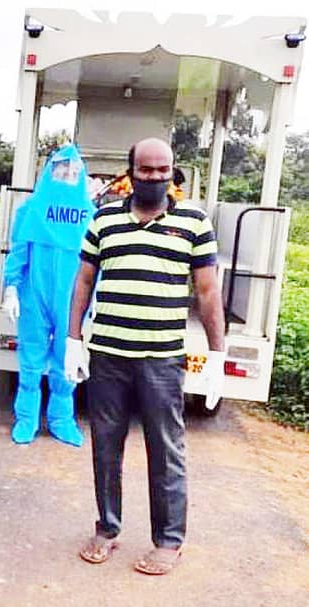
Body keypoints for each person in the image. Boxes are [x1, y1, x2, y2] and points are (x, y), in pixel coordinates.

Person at [66, 137, 225, 576]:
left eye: (163, 169)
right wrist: (73, 339)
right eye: (146, 169)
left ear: (173, 171)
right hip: (109, 357)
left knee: (166, 450)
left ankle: (169, 541)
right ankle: (107, 529)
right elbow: (83, 280)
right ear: (130, 171)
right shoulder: (105, 220)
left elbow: (208, 291)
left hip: (161, 360)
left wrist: (217, 356)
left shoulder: (194, 221)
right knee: (105, 446)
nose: (155, 177)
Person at [2, 144, 95, 446]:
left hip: (72, 299)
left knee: (66, 358)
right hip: (34, 294)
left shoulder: (90, 215)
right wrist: (12, 287)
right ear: (50, 171)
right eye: (61, 169)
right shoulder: (31, 210)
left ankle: (61, 419)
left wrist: (95, 299)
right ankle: (26, 419)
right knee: (30, 357)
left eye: (73, 171)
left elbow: (96, 262)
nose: (67, 175)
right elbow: (18, 251)